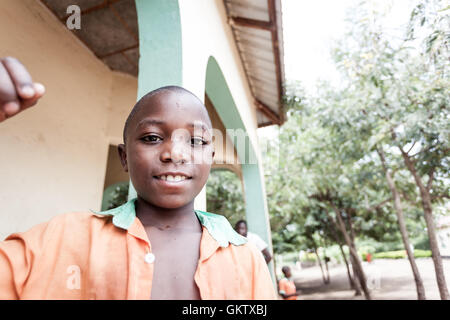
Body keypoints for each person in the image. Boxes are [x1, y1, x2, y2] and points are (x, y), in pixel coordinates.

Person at [0, 57, 276, 300]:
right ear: (124, 158)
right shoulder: (61, 239)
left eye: (194, 140)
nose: (174, 153)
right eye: (152, 138)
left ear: (211, 157)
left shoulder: (246, 259)